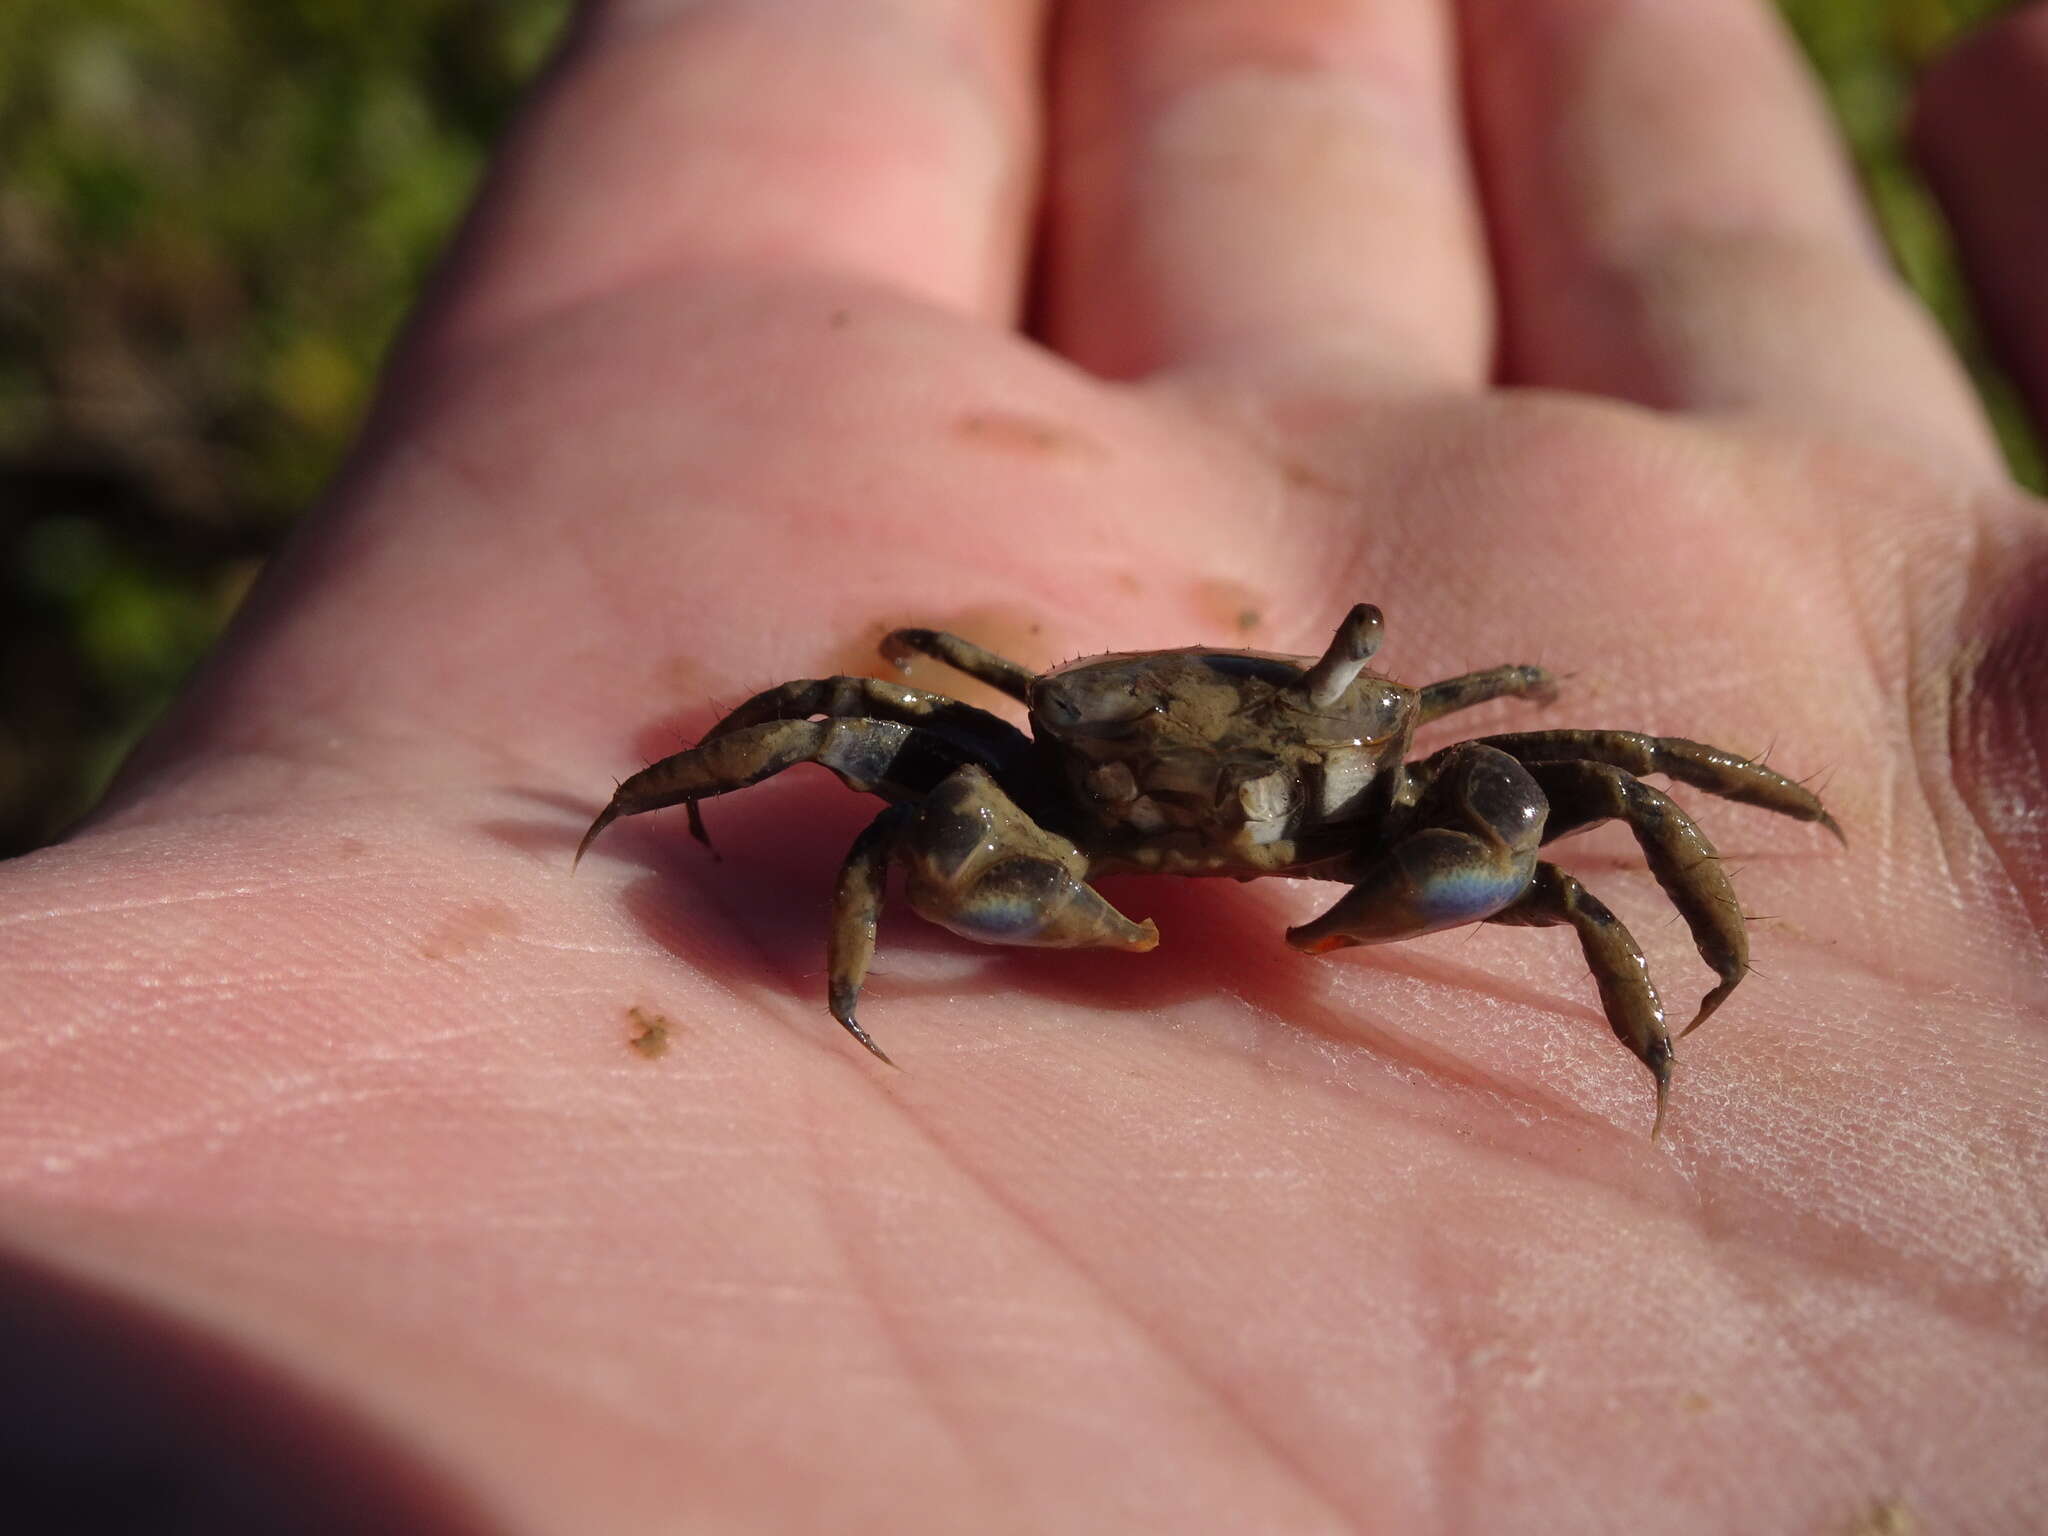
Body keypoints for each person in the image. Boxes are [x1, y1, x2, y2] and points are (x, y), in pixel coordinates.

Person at [3, 2, 2044, 1530]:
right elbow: (848, 764)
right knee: (859, 781)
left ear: (1381, 718)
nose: (1211, 822)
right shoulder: (1012, 758)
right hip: (1068, 809)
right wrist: (675, 810)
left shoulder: (1407, 772)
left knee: (1603, 804)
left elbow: (1607, 779)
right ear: (1049, 714)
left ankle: (1695, 1021)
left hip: (1346, 791)